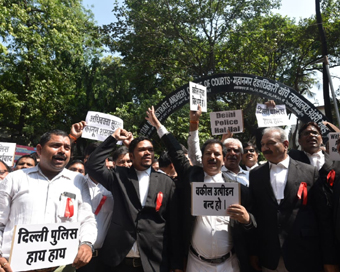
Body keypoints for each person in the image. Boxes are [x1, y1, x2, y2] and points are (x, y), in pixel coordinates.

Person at [146, 106, 255, 272]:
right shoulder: (191, 177)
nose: (212, 157)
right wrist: (158, 126)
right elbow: (175, 151)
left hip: (230, 264)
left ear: (224, 159)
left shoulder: (239, 190)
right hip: (195, 263)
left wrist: (247, 219)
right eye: (208, 154)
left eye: (217, 154)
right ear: (201, 159)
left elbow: (254, 225)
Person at [86, 128, 182, 272]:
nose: (147, 152)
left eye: (150, 149)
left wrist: (177, 264)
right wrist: (113, 138)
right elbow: (93, 165)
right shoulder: (119, 176)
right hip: (118, 262)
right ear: (131, 155)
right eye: (142, 150)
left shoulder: (166, 182)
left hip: (154, 262)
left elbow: (173, 225)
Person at [0, 129, 97, 272]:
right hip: (13, 266)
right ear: (39, 150)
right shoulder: (15, 179)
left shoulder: (78, 181)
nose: (62, 151)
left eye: (67, 148)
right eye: (55, 145)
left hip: (62, 266)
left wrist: (87, 244)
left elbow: (87, 219)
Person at [249, 127, 323, 272]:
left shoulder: (309, 172)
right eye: (262, 144)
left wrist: (328, 257)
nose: (265, 148)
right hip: (269, 256)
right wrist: (254, 251)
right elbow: (255, 213)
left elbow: (321, 215)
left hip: (303, 254)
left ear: (285, 144)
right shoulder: (255, 174)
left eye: (270, 143)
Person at [68, 121, 114, 272]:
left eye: (101, 158)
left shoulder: (114, 187)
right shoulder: (74, 183)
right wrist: (72, 137)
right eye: (90, 157)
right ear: (86, 160)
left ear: (107, 161)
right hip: (72, 256)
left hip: (103, 259)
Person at [188, 105, 249, 187]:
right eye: (228, 150)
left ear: (241, 155)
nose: (232, 153)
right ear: (224, 158)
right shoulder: (209, 169)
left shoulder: (251, 176)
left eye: (236, 150)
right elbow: (194, 152)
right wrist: (194, 122)